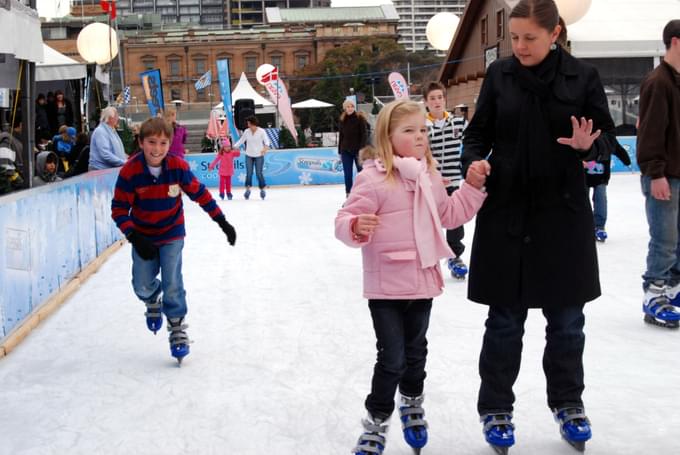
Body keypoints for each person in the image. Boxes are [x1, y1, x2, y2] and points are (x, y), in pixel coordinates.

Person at [461, 1, 618, 452]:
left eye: (529, 37)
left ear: (554, 33)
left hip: (561, 216)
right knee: (504, 322)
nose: (520, 46)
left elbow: (606, 139)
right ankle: (496, 408)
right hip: (507, 212)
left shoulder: (583, 77)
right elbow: (477, 135)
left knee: (567, 322)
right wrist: (473, 164)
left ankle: (568, 403)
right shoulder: (499, 76)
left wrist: (592, 146)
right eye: (514, 38)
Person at [335, 100, 489, 455]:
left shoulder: (430, 176)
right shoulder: (372, 178)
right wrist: (356, 226)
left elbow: (449, 215)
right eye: (409, 131)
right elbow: (343, 220)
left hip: (421, 279)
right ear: (388, 136)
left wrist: (472, 186)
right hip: (386, 284)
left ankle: (412, 401)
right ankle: (376, 420)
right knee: (392, 358)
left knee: (416, 352)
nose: (419, 136)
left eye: (422, 130)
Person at [111, 117, 237, 364]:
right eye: (151, 142)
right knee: (141, 284)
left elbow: (199, 194)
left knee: (173, 282)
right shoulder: (130, 170)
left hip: (171, 233)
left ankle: (177, 328)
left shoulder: (177, 167)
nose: (156, 149)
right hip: (143, 235)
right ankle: (151, 300)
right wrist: (134, 236)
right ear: (140, 142)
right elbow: (118, 209)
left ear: (170, 144)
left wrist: (222, 222)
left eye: (162, 143)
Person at [637, 19, 680, 329]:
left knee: (677, 240)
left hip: (677, 172)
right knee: (664, 239)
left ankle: (673, 288)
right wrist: (656, 173)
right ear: (675, 42)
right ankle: (654, 293)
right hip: (663, 175)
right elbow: (650, 133)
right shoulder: (658, 82)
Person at [424, 81, 470, 279]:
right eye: (432, 98)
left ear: (445, 99)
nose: (437, 101)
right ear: (426, 102)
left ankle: (454, 255)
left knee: (454, 220)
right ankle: (426, 256)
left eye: (440, 97)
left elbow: (472, 144)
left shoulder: (458, 122)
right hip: (428, 184)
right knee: (426, 220)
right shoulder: (421, 126)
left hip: (452, 181)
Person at [583, 141, 632, 242]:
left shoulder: (606, 137)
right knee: (583, 202)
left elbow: (617, 148)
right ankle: (584, 226)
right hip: (583, 177)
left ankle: (599, 227)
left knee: (600, 200)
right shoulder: (584, 134)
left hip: (601, 176)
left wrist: (626, 160)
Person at [232, 115, 270, 200]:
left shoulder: (261, 131)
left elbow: (267, 141)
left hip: (259, 156)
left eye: (248, 122)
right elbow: (241, 140)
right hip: (249, 155)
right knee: (249, 173)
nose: (247, 124)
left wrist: (265, 148)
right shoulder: (246, 131)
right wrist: (234, 146)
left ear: (252, 123)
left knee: (259, 173)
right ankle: (248, 189)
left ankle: (262, 189)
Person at [338, 99, 368, 197]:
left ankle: (364, 193)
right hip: (345, 151)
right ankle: (349, 194)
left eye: (352, 106)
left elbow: (364, 135)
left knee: (361, 173)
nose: (350, 108)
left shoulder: (360, 118)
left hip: (358, 151)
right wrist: (339, 151)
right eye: (348, 107)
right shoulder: (342, 120)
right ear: (345, 108)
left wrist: (361, 149)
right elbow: (341, 136)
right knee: (348, 174)